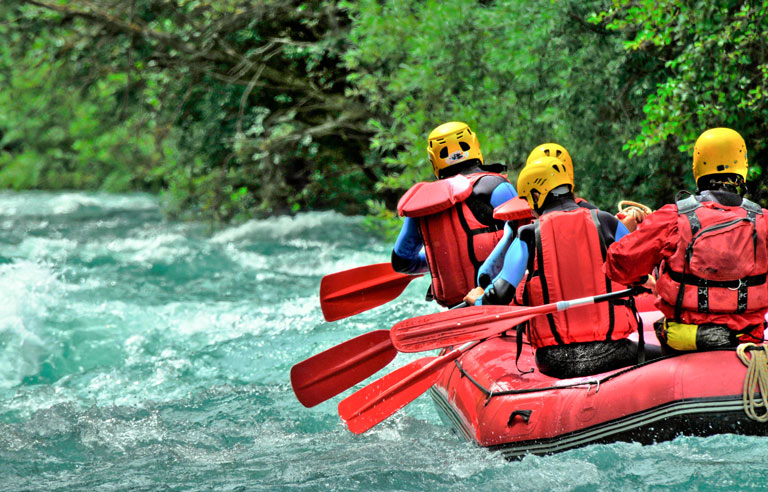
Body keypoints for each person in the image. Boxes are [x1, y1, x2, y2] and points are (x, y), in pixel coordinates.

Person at [465, 157, 639, 378]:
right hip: (613, 351)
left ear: (537, 195)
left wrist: (476, 300)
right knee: (663, 353)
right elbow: (642, 267)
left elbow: (499, 296)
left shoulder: (527, 235)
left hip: (555, 360)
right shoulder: (607, 222)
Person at [604, 127, 768, 354]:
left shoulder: (672, 217)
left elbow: (617, 264)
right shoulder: (764, 221)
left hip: (686, 338)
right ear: (743, 168)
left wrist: (643, 277)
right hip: (747, 338)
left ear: (697, 168)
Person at [391, 121, 517, 307]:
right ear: (474, 145)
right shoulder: (495, 186)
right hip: (502, 299)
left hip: (456, 310)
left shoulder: (421, 205)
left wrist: (442, 260)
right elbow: (525, 236)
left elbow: (401, 262)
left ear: (434, 160)